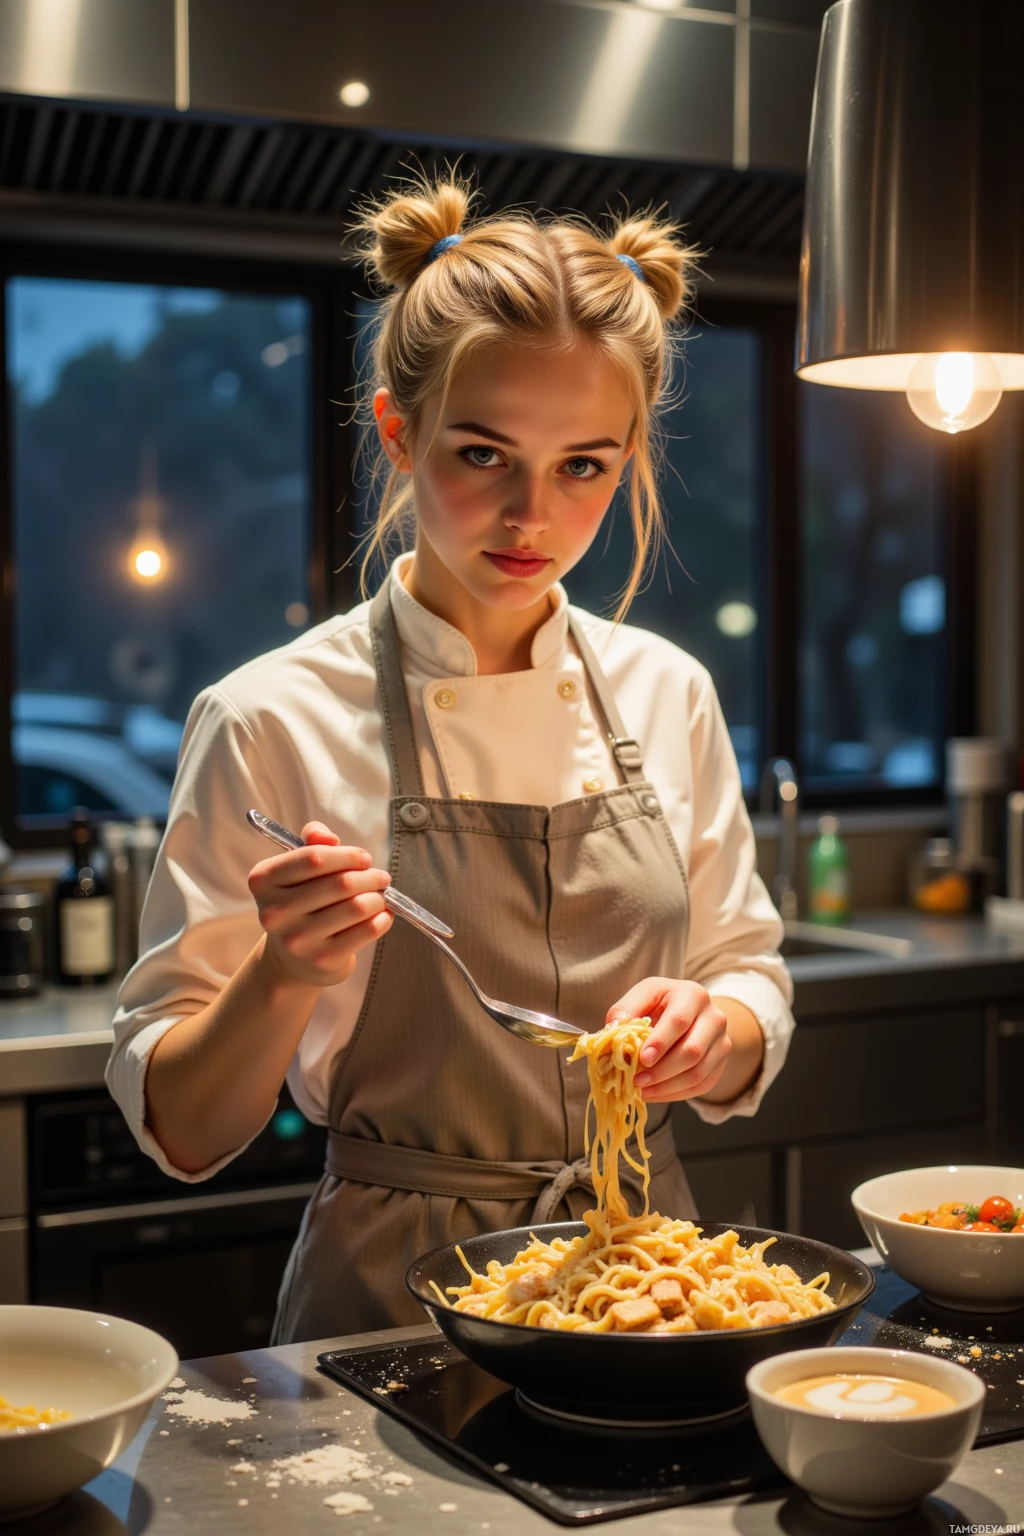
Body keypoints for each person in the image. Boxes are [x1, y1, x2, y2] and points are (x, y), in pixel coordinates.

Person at [107, 178, 795, 1344]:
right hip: (385, 1313)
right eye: (483, 454)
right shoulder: (271, 717)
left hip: (657, 1293)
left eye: (583, 465)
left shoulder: (667, 691)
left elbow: (747, 973)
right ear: (398, 431)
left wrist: (711, 1030)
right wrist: (281, 973)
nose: (530, 515)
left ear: (627, 461)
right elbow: (181, 1127)